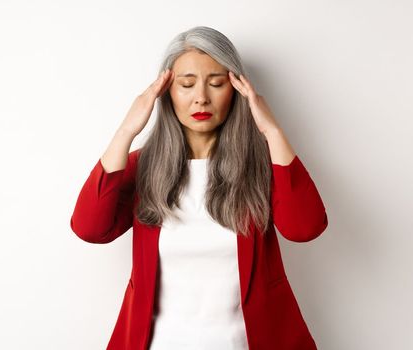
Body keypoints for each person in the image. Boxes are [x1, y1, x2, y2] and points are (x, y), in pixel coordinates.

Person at [69, 26, 329, 350]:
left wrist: (272, 131)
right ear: (167, 92)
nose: (201, 97)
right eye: (187, 84)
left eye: (216, 83)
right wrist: (127, 130)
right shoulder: (143, 168)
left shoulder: (262, 165)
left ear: (236, 88)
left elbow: (305, 227)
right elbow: (90, 228)